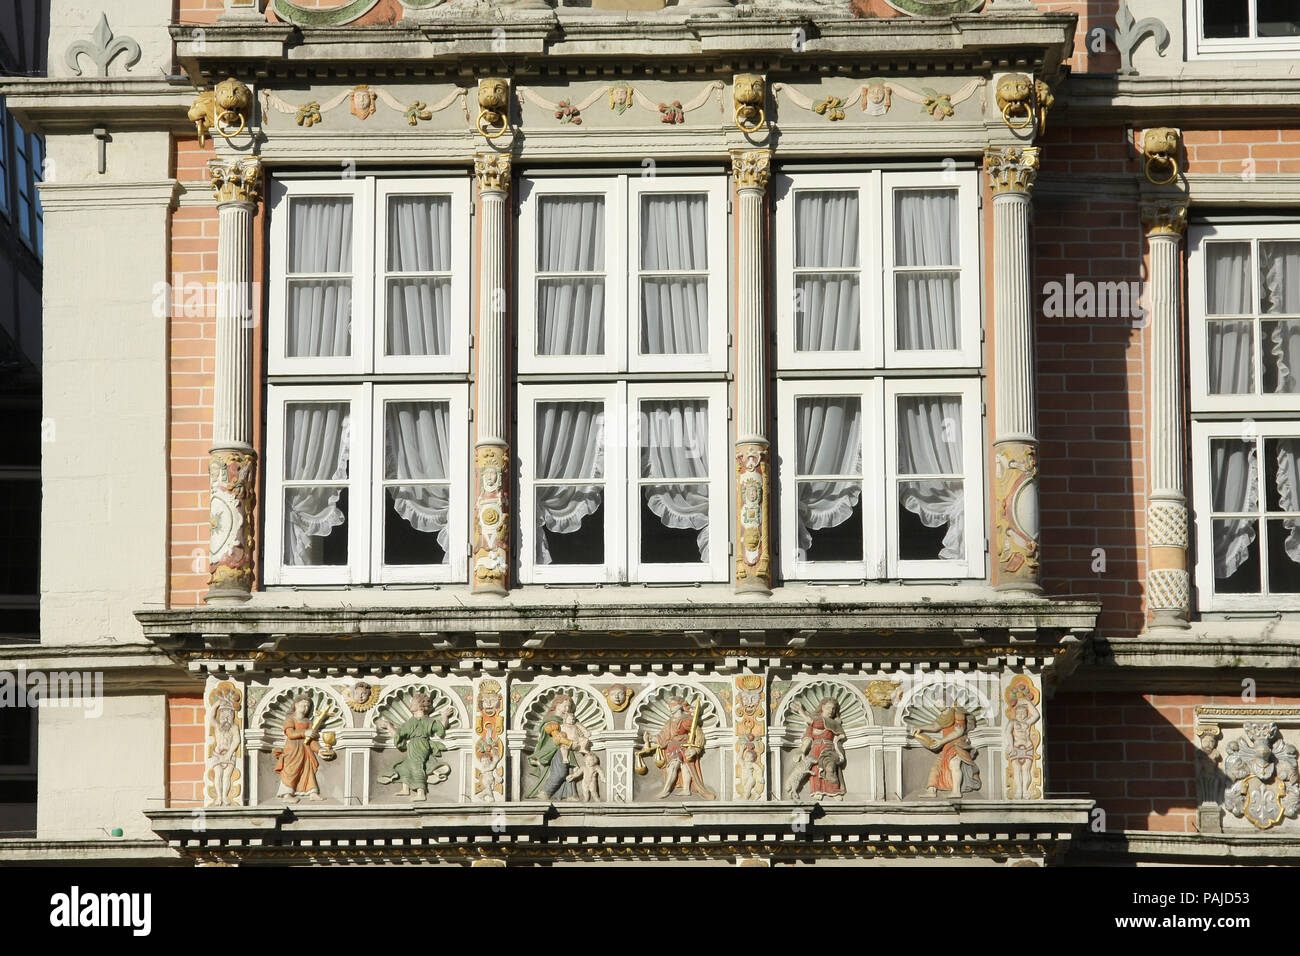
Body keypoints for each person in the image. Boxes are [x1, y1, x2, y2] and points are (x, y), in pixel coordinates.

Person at [378, 693, 452, 802]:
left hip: (421, 744)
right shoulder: (410, 722)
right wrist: (389, 726)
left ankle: (421, 792)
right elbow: (399, 735)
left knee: (416, 766)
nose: (410, 705)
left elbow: (440, 727)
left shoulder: (427, 720)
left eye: (413, 702)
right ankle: (405, 788)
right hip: (412, 745)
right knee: (405, 765)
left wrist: (444, 716)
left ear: (419, 705)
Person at [525, 694, 589, 800]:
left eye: (569, 707)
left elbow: (579, 728)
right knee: (561, 772)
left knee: (569, 771)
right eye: (564, 706)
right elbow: (556, 736)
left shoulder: (570, 719)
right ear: (557, 705)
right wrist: (569, 743)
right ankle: (545, 792)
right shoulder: (551, 720)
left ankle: (570, 794)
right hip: (556, 749)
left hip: (568, 749)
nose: (567, 709)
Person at [655, 697, 716, 799]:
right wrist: (650, 738)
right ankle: (668, 790)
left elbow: (698, 734)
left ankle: (684, 790)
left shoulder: (687, 719)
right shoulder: (669, 722)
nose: (670, 707)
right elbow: (663, 737)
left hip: (684, 746)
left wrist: (696, 749)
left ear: (679, 706)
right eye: (669, 705)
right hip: (672, 747)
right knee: (673, 767)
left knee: (685, 766)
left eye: (673, 705)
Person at [915, 705, 980, 797]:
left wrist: (941, 741)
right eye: (935, 702)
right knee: (936, 767)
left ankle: (956, 791)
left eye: (939, 701)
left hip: (957, 743)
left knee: (954, 763)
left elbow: (959, 731)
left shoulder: (958, 713)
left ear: (947, 702)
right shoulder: (944, 716)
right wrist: (921, 728)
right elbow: (935, 726)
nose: (936, 704)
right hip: (946, 745)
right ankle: (931, 791)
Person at [274, 695, 322, 801]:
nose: (305, 707)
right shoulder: (290, 719)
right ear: (295, 705)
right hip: (293, 749)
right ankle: (286, 794)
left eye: (307, 706)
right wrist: (305, 732)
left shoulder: (308, 722)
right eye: (303, 704)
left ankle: (312, 792)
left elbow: (312, 740)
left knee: (307, 770)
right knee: (291, 770)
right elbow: (290, 734)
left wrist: (319, 750)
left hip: (306, 750)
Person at [799, 698, 847, 799]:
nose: (831, 711)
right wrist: (802, 751)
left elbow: (816, 723)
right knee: (815, 769)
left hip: (828, 748)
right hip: (815, 747)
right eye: (829, 708)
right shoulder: (815, 722)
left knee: (830, 767)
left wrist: (801, 712)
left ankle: (835, 791)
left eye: (833, 709)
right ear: (823, 707)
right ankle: (817, 791)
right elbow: (808, 737)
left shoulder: (832, 723)